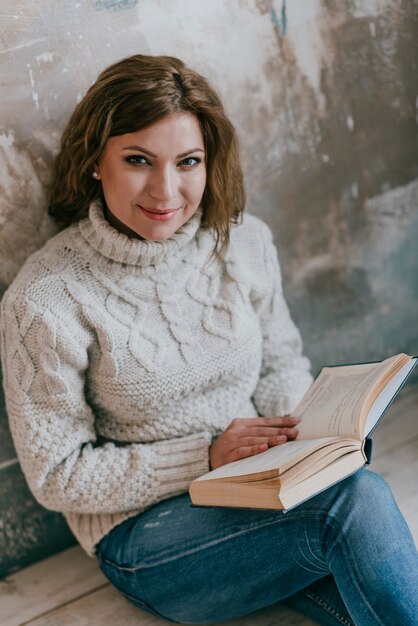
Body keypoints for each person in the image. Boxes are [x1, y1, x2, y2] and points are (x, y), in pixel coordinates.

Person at [0, 54, 417, 626]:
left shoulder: (243, 243)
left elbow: (279, 365)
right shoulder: (45, 297)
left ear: (209, 161)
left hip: (261, 494)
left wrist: (313, 443)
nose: (165, 189)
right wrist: (204, 456)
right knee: (355, 505)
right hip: (148, 537)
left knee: (353, 513)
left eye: (188, 161)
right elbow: (57, 474)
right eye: (138, 160)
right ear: (96, 161)